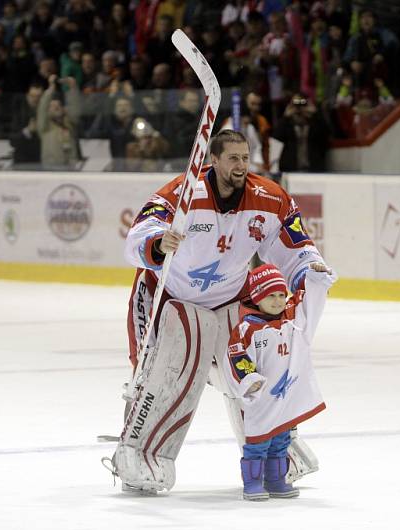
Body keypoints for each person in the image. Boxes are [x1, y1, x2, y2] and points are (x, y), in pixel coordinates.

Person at [111, 129, 328, 493]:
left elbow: (294, 242)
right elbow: (137, 238)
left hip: (230, 296)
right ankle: (140, 452)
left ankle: (278, 451)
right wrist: (157, 243)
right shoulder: (181, 194)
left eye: (245, 158)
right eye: (233, 158)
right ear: (214, 160)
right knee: (171, 367)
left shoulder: (269, 198)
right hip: (169, 297)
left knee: (255, 367)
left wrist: (309, 265)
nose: (241, 165)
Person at [221, 262, 336, 501]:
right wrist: (248, 380)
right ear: (257, 297)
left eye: (282, 294)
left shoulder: (294, 321)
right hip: (262, 399)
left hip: (286, 398)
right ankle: (252, 482)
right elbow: (235, 356)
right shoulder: (247, 329)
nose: (277, 300)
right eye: (270, 295)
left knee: (281, 441)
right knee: (257, 443)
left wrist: (316, 277)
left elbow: (310, 302)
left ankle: (275, 480)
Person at [37, 74, 82, 170]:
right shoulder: (45, 127)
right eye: (52, 106)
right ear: (48, 111)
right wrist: (51, 89)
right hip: (50, 170)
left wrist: (73, 88)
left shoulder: (69, 125)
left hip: (70, 170)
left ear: (63, 109)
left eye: (58, 105)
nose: (56, 107)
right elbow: (42, 108)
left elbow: (75, 110)